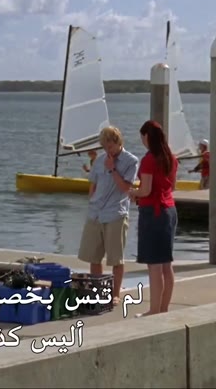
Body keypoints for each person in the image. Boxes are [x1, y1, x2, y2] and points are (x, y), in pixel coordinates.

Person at [77, 126, 139, 305]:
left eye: (110, 146)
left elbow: (126, 188)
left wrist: (112, 169)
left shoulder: (131, 161)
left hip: (115, 214)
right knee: (93, 257)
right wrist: (91, 201)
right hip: (96, 213)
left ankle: (115, 294)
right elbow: (93, 184)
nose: (107, 150)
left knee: (116, 259)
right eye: (104, 147)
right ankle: (97, 292)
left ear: (118, 142)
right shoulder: (99, 160)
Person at [128, 120, 178, 317]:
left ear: (147, 136)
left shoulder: (149, 159)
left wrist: (133, 192)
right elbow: (172, 186)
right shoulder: (171, 157)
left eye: (142, 137)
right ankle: (163, 308)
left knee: (154, 265)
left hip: (153, 213)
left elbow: (146, 189)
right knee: (166, 264)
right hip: (170, 210)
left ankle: (154, 310)